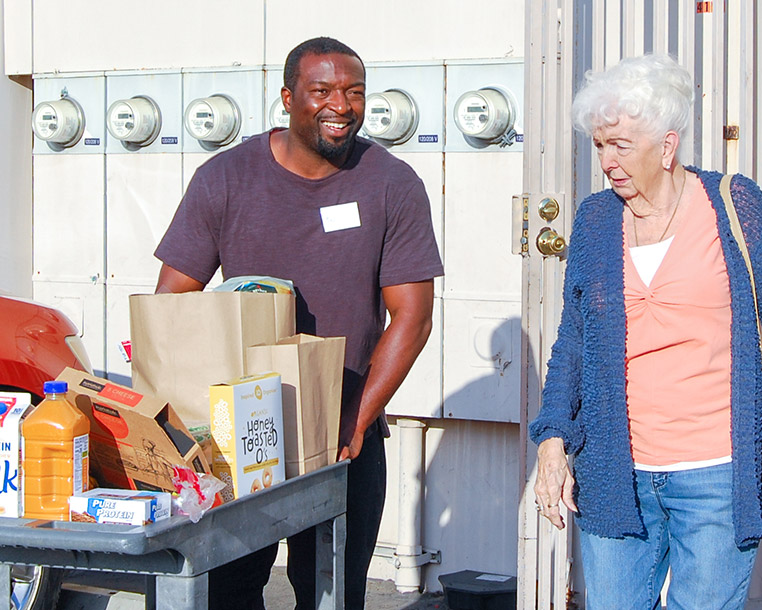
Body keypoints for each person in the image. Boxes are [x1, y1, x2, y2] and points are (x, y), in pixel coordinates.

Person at [152, 37, 443, 609]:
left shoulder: (391, 183)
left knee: (330, 594)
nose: (341, 105)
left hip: (342, 435)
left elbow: (412, 315)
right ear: (287, 98)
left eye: (354, 92)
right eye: (323, 91)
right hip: (240, 435)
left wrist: (356, 421)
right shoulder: (227, 177)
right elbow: (172, 303)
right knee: (226, 593)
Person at [530, 53, 762, 609]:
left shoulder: (734, 205)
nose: (607, 161)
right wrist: (552, 438)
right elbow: (573, 342)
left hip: (716, 474)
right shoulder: (595, 219)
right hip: (615, 468)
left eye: (621, 146)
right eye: (600, 145)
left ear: (666, 145)